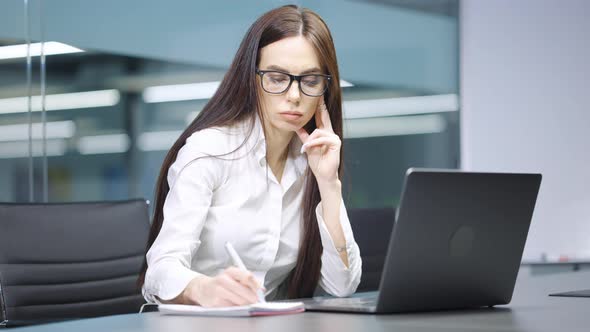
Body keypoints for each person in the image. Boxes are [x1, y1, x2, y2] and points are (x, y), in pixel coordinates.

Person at [138, 4, 362, 307]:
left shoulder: (313, 160)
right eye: (276, 77)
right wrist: (204, 289)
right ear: (252, 78)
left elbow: (342, 286)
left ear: (325, 88)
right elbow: (158, 272)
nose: (294, 95)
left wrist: (329, 184)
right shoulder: (208, 152)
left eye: (309, 81)